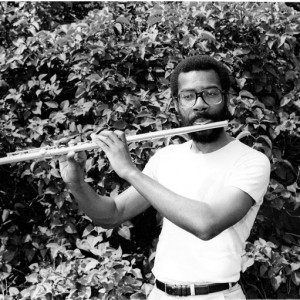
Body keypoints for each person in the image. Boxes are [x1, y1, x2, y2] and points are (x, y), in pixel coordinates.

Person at [59, 55, 270, 299]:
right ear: (177, 104)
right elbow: (112, 214)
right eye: (188, 96)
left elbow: (206, 225)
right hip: (161, 293)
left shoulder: (251, 161)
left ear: (226, 98)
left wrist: (129, 170)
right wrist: (75, 183)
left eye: (210, 93)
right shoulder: (166, 157)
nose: (199, 104)